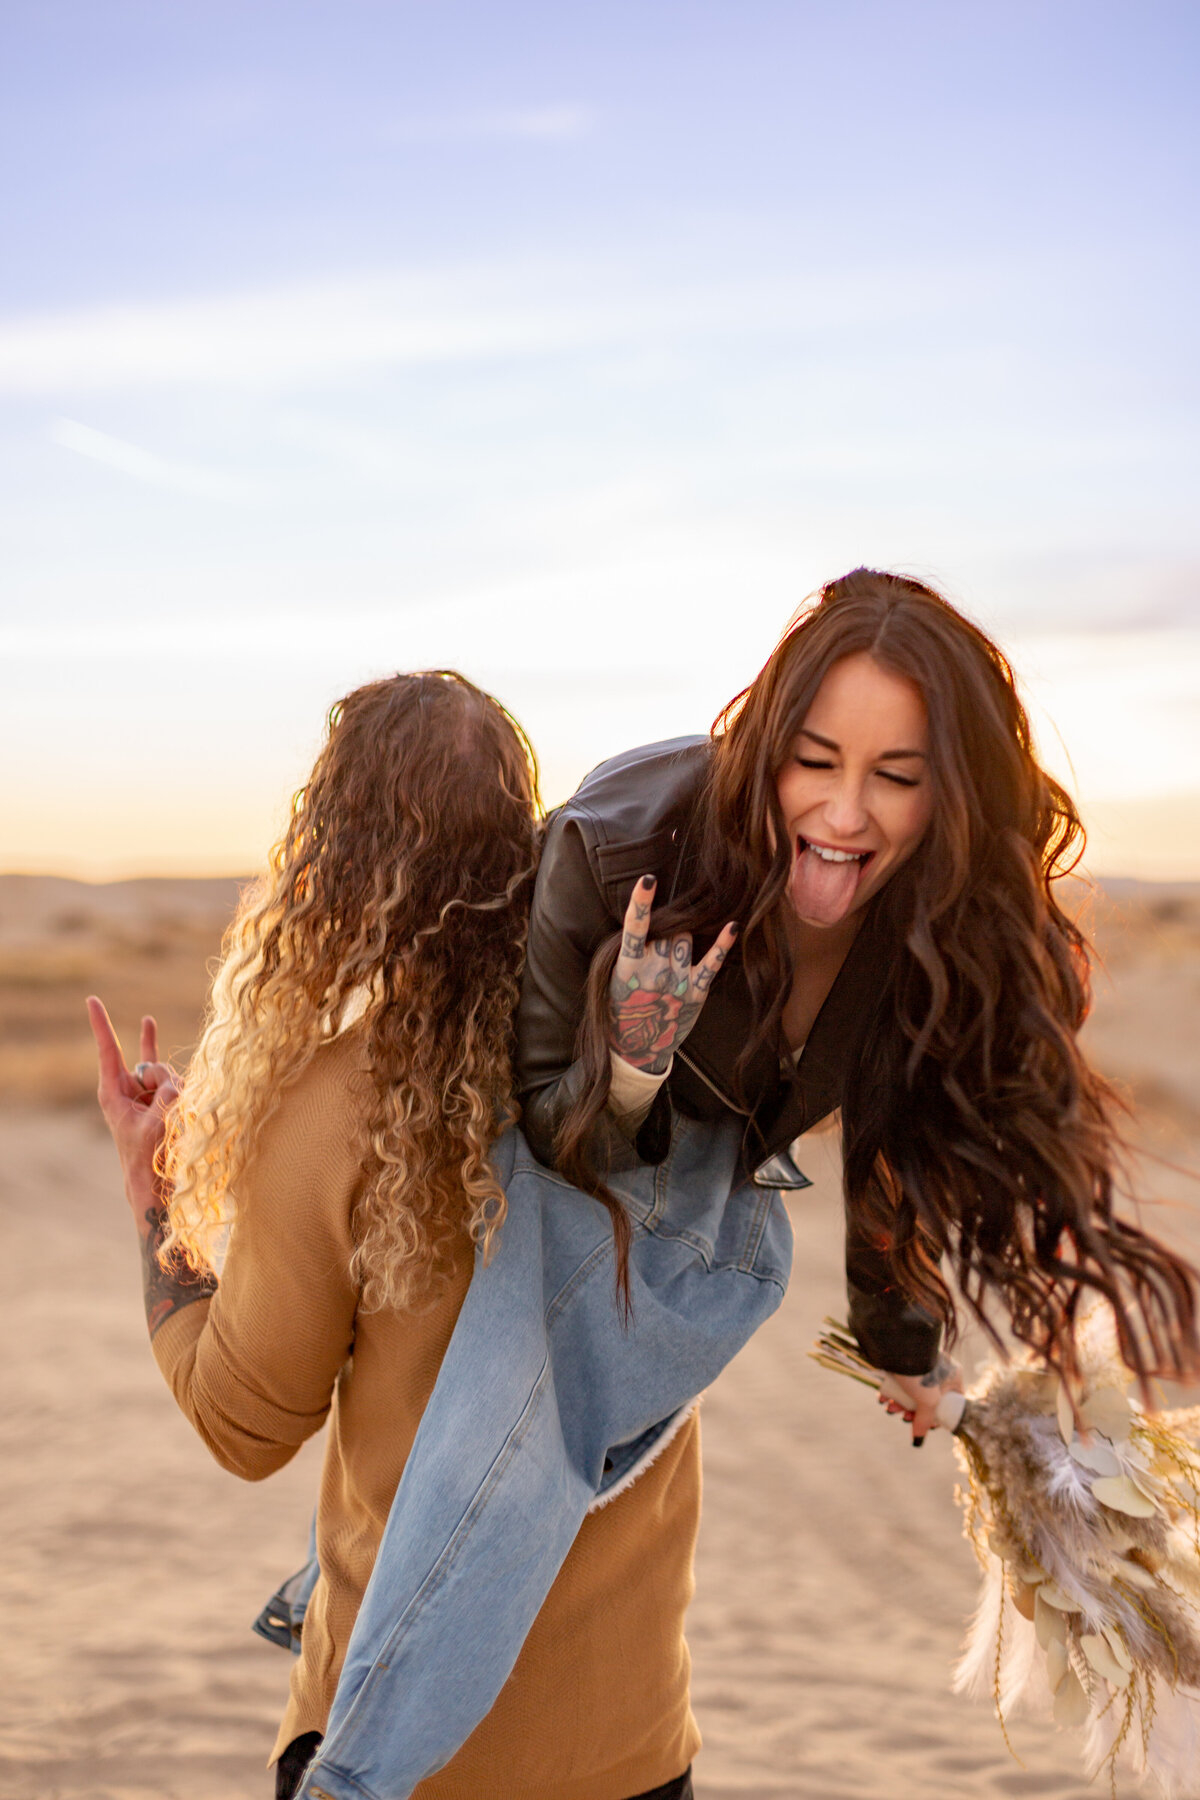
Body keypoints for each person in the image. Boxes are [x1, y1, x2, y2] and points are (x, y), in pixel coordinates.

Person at [89, 670, 716, 1800]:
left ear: (334, 862)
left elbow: (244, 1426)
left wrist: (155, 1202)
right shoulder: (644, 1069)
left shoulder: (330, 1116)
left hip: (398, 1759)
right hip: (633, 1750)